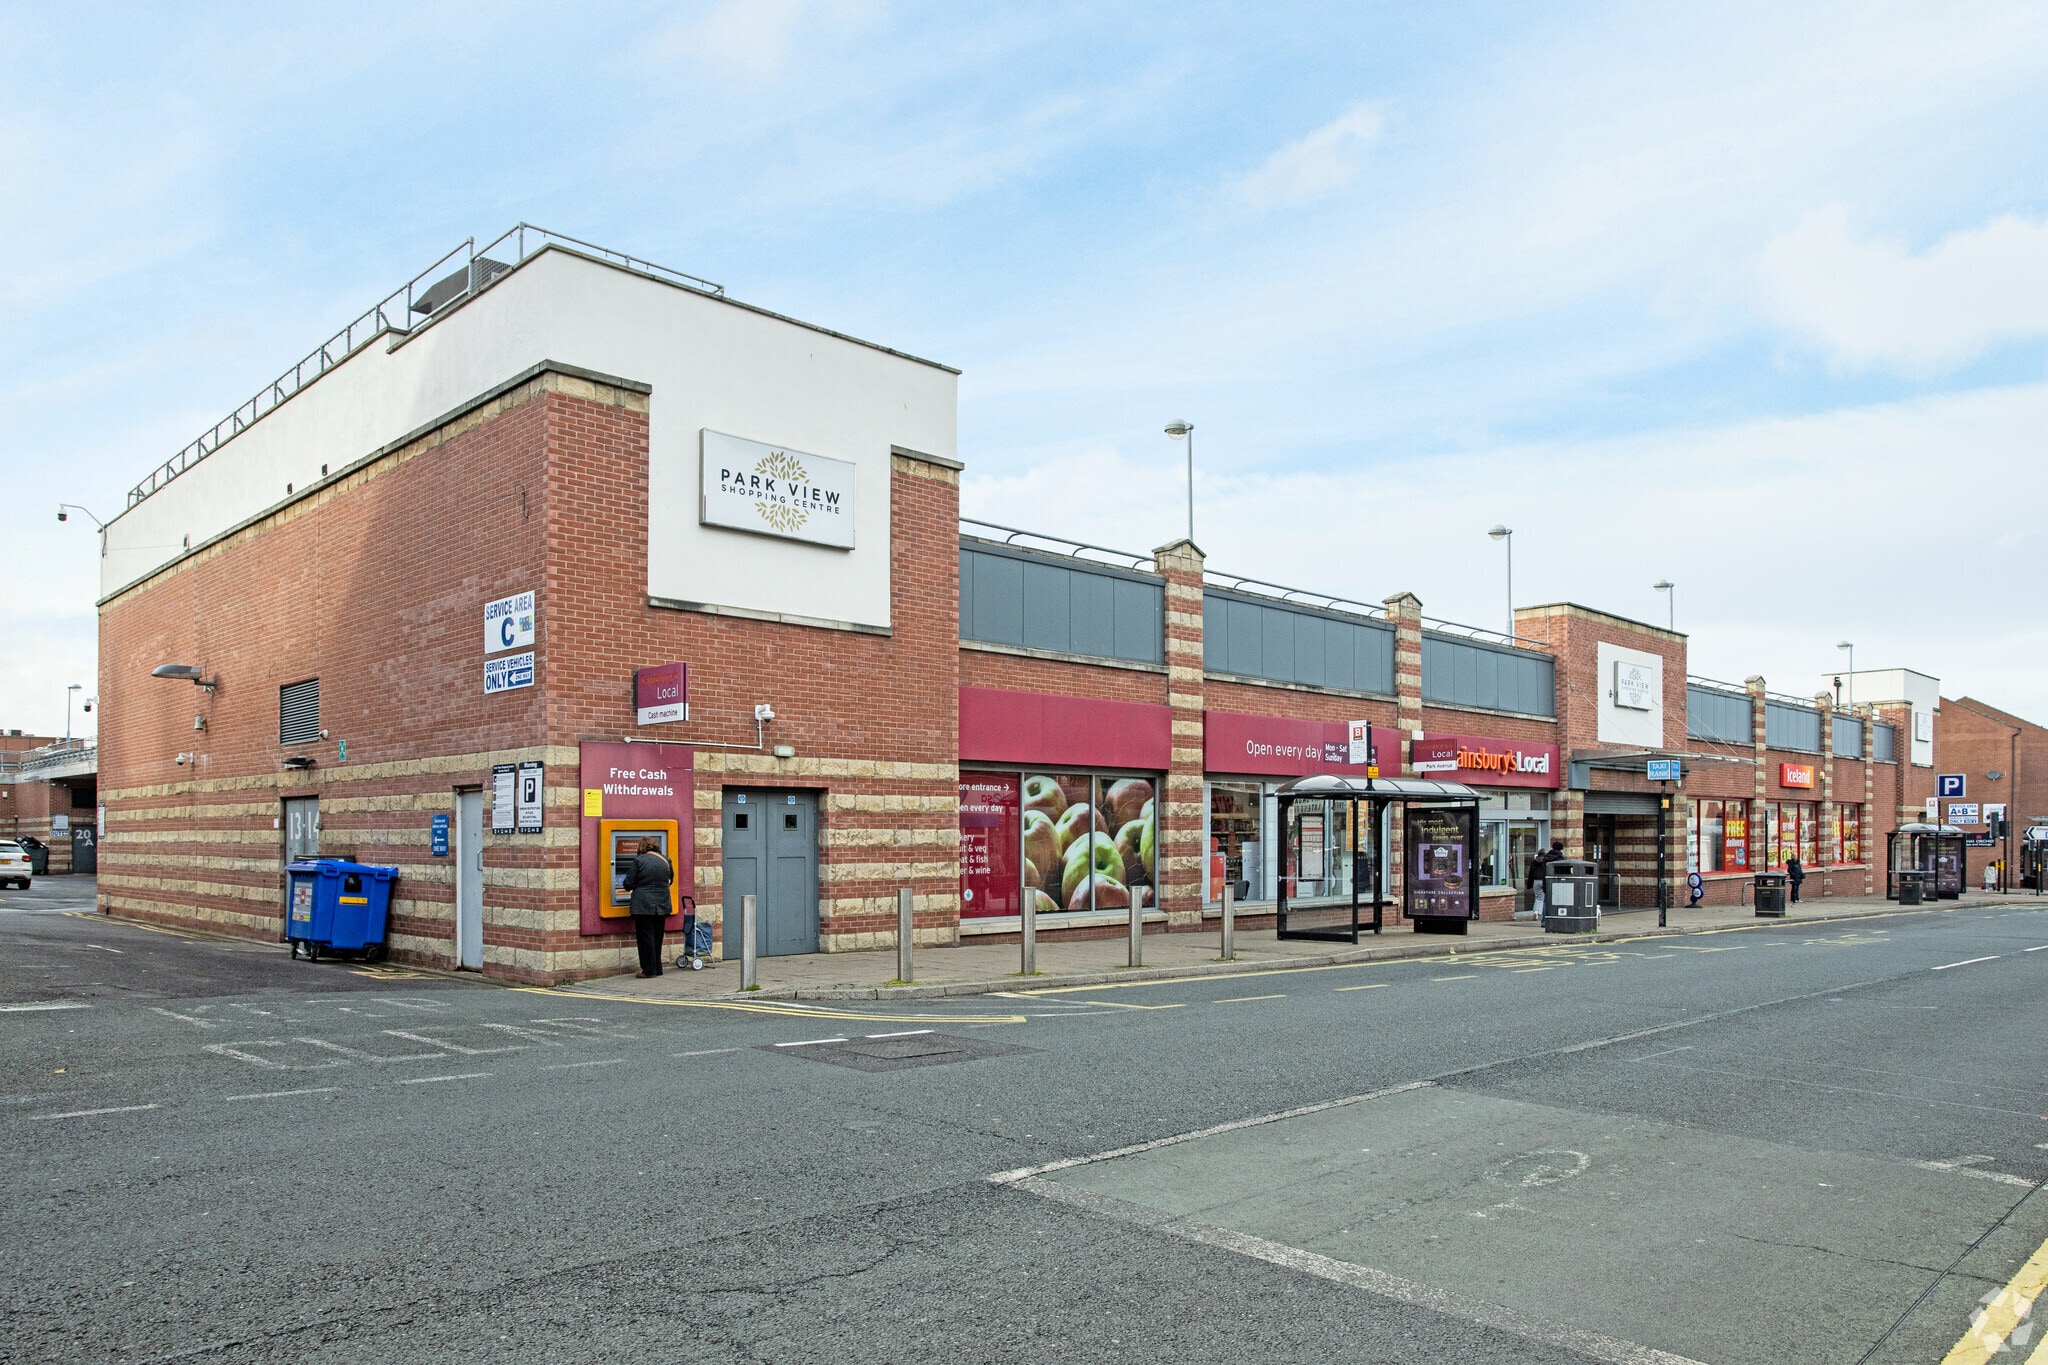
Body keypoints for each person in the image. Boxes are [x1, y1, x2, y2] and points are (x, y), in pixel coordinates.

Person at [622, 837, 674, 978]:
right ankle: (658, 968)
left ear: (642, 848)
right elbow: (670, 880)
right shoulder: (666, 860)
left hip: (643, 905)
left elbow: (628, 884)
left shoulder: (639, 861)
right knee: (657, 937)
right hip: (662, 903)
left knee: (646, 938)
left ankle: (648, 970)